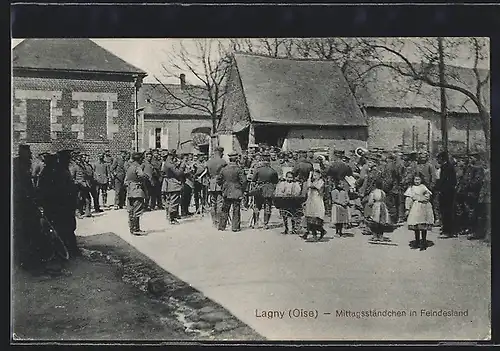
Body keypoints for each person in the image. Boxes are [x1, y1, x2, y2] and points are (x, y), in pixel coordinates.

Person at [13, 144, 42, 269]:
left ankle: (28, 257)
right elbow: (21, 186)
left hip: (27, 202)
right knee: (24, 230)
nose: (30, 155)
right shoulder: (17, 165)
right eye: (28, 152)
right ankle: (25, 260)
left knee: (30, 230)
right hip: (21, 203)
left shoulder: (25, 164)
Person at [217, 153, 248, 232]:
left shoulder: (224, 169)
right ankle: (235, 227)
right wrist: (242, 190)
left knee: (225, 209)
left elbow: (218, 180)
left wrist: (223, 186)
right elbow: (244, 181)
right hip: (237, 191)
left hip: (226, 191)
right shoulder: (239, 169)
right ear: (236, 159)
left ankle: (222, 226)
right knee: (236, 209)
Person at [404, 174, 434, 250]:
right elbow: (408, 199)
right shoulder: (411, 188)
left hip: (423, 207)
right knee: (416, 225)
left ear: (421, 180)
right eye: (415, 180)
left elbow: (427, 196)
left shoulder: (423, 187)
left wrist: (423, 199)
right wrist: (407, 208)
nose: (416, 181)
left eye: (418, 179)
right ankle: (417, 242)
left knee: (423, 225)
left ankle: (423, 243)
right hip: (415, 207)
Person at [252, 153, 279, 229]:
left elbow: (253, 180)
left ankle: (256, 223)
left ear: (262, 161)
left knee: (257, 206)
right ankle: (265, 224)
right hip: (269, 189)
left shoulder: (258, 170)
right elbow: (275, 182)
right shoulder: (273, 171)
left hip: (259, 189)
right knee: (268, 206)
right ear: (269, 161)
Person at [435, 151, 457, 238]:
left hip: (447, 192)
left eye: (438, 159)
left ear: (442, 158)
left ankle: (448, 231)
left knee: (447, 211)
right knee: (445, 211)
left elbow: (443, 180)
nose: (437, 160)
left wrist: (437, 188)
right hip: (447, 191)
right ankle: (446, 229)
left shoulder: (446, 167)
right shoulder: (446, 166)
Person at [124, 152, 147, 235]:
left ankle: (132, 228)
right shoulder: (138, 167)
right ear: (139, 159)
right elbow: (142, 175)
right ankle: (135, 229)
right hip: (137, 190)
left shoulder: (130, 167)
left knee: (131, 210)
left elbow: (125, 181)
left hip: (130, 190)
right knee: (137, 209)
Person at [302, 169, 327, 241]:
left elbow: (311, 186)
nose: (314, 177)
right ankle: (314, 235)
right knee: (310, 218)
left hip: (317, 201)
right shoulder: (313, 182)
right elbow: (308, 188)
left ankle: (319, 232)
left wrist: (309, 179)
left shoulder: (321, 182)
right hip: (311, 201)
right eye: (314, 175)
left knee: (315, 219)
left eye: (316, 175)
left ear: (320, 175)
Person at [206, 147, 227, 227]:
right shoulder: (223, 162)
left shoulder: (209, 162)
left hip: (211, 184)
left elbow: (207, 174)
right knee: (219, 203)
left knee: (213, 203)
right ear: (221, 153)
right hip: (220, 184)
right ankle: (218, 221)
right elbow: (225, 173)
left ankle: (214, 221)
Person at [162, 152, 185, 224]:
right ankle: (172, 219)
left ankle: (169, 216)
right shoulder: (169, 164)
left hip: (168, 183)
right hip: (173, 183)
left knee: (169, 201)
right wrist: (182, 166)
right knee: (174, 201)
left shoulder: (166, 163)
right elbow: (178, 173)